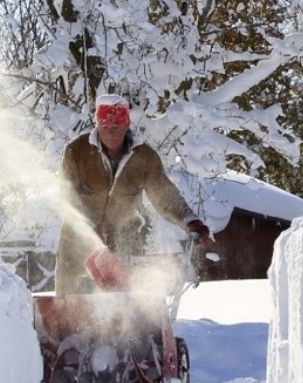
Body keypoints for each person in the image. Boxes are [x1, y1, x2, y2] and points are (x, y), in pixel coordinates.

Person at [55, 94, 213, 294]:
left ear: (126, 126)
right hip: (78, 243)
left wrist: (191, 221)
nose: (110, 133)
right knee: (71, 307)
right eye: (105, 127)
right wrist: (91, 225)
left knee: (125, 308)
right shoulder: (76, 152)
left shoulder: (143, 157)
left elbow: (164, 195)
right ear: (98, 126)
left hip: (123, 240)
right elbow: (67, 197)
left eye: (116, 127)